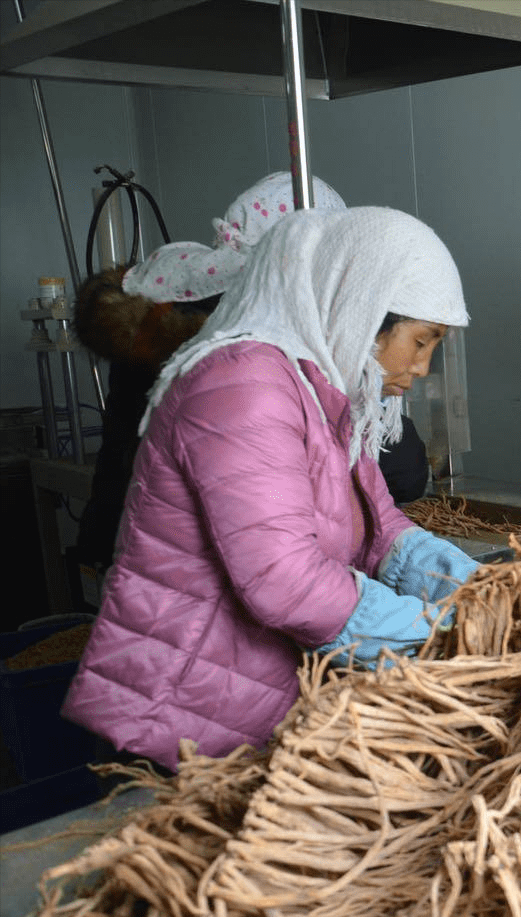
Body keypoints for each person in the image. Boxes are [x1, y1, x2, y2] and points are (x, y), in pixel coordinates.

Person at [62, 207, 479, 771]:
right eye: (421, 341)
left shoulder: (321, 389)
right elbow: (282, 579)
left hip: (253, 710)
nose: (424, 367)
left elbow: (380, 527)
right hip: (181, 727)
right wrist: (441, 633)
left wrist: (481, 591)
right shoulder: (241, 384)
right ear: (363, 312)